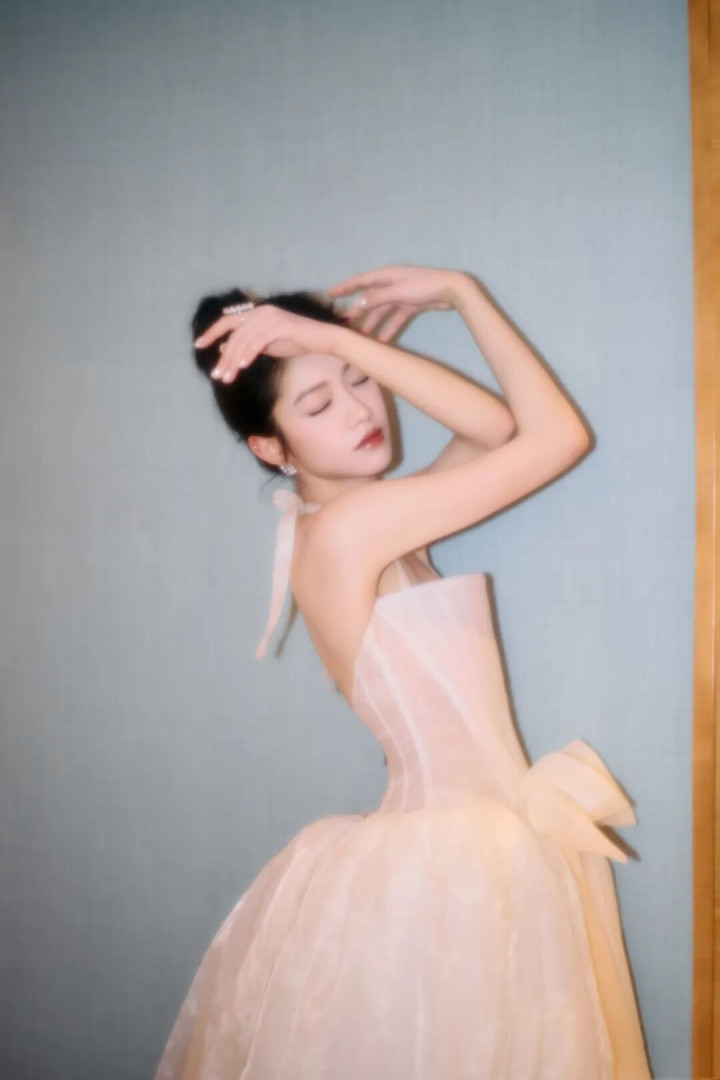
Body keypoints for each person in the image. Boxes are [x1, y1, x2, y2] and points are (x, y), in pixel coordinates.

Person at [153, 264, 652, 1079]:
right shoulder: (352, 530)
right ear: (270, 447)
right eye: (318, 404)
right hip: (454, 865)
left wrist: (353, 341)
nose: (360, 410)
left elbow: (497, 426)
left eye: (360, 381)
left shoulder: (373, 522)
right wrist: (461, 293)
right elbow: (556, 437)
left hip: (475, 853)